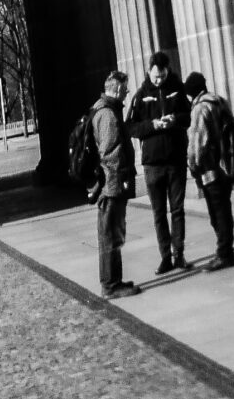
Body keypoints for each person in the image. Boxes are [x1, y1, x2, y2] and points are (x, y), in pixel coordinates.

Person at [127, 50, 190, 274]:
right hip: (152, 163)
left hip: (176, 159)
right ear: (148, 72)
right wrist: (152, 125)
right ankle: (165, 256)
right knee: (158, 212)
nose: (158, 80)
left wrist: (175, 119)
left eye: (162, 76)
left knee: (178, 209)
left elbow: (187, 116)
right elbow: (131, 127)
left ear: (167, 71)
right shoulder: (140, 95)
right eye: (155, 76)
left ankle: (179, 254)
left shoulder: (177, 88)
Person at [184, 71, 234, 270]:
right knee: (223, 210)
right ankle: (226, 250)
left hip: (211, 171)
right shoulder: (220, 101)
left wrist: (193, 166)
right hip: (226, 167)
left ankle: (224, 254)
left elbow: (197, 144)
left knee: (217, 213)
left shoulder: (200, 109)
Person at [92, 70, 137, 299]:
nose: (127, 93)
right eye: (125, 89)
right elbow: (109, 152)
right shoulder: (108, 115)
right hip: (111, 186)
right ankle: (111, 285)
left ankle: (114, 280)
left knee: (112, 234)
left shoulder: (105, 110)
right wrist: (122, 177)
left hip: (110, 185)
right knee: (110, 235)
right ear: (117, 89)